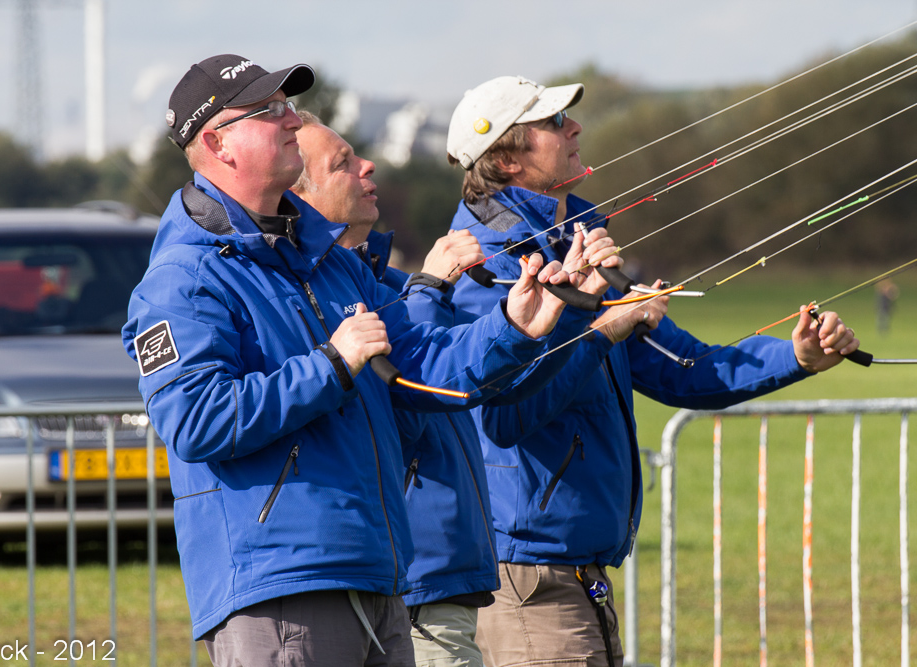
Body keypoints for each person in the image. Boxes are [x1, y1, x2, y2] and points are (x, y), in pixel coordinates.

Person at [122, 55, 588, 667]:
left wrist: (511, 328)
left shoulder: (329, 259)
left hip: (378, 572)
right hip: (283, 588)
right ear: (218, 143)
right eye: (269, 111)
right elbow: (196, 420)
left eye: (288, 106)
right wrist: (332, 366)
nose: (291, 121)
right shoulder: (183, 279)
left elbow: (417, 363)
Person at [444, 75, 861, 667]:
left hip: (580, 571)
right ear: (507, 159)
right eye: (554, 122)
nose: (575, 127)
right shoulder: (481, 267)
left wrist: (797, 356)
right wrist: (601, 327)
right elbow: (504, 415)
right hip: (529, 576)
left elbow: (685, 369)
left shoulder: (582, 239)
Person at [290, 110, 624, 667]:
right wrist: (433, 287)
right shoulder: (395, 286)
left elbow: (472, 370)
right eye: (343, 163)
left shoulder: (385, 282)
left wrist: (551, 317)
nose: (368, 164)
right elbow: (440, 388)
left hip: (449, 576)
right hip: (428, 574)